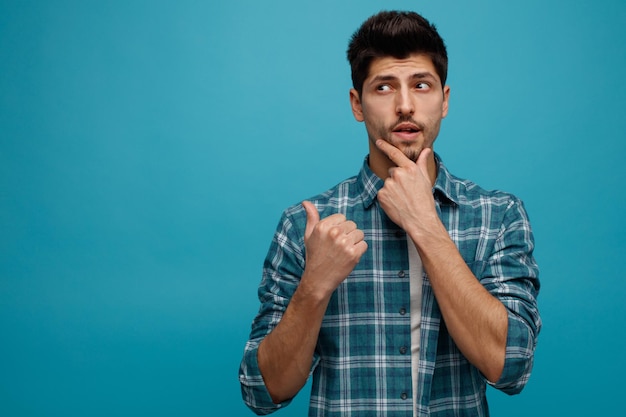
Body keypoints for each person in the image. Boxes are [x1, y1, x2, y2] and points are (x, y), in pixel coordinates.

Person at [239, 10, 541, 417]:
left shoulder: (498, 216)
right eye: (383, 87)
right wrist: (314, 287)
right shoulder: (306, 225)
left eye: (421, 85)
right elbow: (262, 391)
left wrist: (425, 224)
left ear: (445, 100)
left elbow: (511, 367)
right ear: (357, 104)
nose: (404, 105)